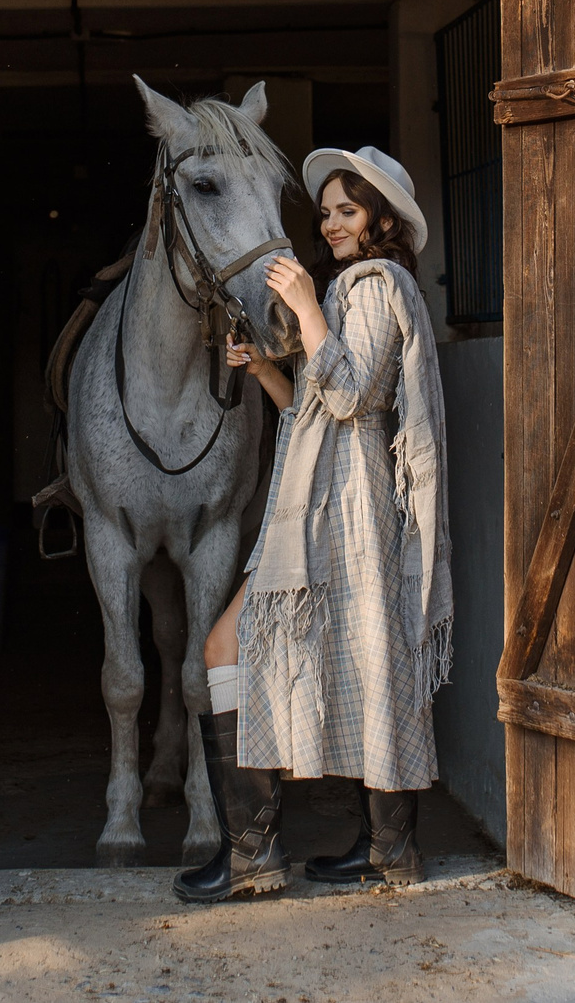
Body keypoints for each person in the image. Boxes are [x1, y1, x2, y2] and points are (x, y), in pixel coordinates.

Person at [174, 145, 454, 904]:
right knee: (359, 656)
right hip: (332, 498)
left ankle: (259, 853)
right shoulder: (353, 290)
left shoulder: (376, 282)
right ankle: (381, 847)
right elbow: (315, 412)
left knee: (250, 646)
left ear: (382, 220)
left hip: (351, 508)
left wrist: (303, 307)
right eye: (325, 210)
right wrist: (265, 370)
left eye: (347, 210)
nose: (329, 224)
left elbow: (356, 398)